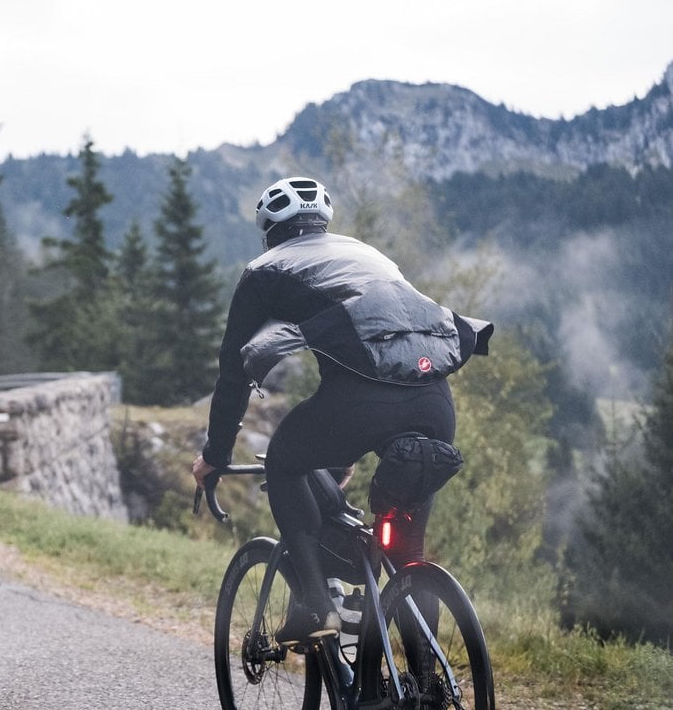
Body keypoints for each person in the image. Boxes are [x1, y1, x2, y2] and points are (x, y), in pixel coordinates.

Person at [192, 176, 493, 645]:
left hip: (364, 402)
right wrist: (345, 449)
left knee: (284, 460)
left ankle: (317, 606)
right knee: (408, 555)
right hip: (435, 399)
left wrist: (214, 454)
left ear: (269, 231)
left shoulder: (265, 269)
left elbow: (234, 373)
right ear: (322, 223)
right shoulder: (367, 255)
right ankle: (424, 686)